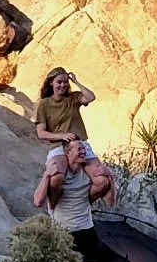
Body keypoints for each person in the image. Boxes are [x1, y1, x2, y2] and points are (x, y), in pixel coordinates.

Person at [34, 135, 115, 262]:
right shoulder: (58, 177)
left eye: (83, 149)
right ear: (67, 153)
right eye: (77, 149)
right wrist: (46, 175)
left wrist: (110, 177)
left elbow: (111, 202)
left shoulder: (87, 175)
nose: (82, 152)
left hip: (85, 232)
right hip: (62, 235)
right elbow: (37, 202)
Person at [34, 65, 111, 203]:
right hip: (59, 145)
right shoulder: (44, 104)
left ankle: (84, 203)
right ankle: (54, 205)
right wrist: (61, 136)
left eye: (65, 82)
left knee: (102, 180)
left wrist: (76, 81)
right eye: (59, 82)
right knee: (56, 176)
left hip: (80, 144)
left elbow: (90, 97)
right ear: (51, 82)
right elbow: (41, 133)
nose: (62, 85)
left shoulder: (73, 98)